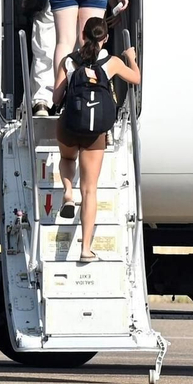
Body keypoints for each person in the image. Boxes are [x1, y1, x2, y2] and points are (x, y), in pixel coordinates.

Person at [52, 16, 140, 261]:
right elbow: (136, 78)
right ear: (105, 38)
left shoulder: (68, 62)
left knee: (67, 159)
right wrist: (130, 57)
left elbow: (57, 98)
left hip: (69, 126)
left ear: (83, 36)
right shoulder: (111, 63)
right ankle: (85, 249)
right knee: (90, 190)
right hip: (95, 134)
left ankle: (68, 192)